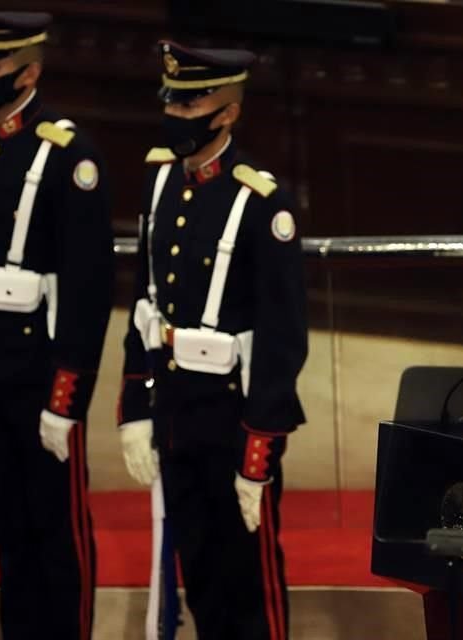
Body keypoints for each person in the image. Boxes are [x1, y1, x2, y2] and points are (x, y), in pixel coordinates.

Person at [117, 41, 307, 640]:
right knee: (198, 574)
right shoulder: (161, 184)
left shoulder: (260, 201)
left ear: (226, 113)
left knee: (250, 588)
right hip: (177, 415)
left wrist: (258, 455)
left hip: (232, 420)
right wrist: (136, 409)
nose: (175, 116)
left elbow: (283, 340)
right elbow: (146, 306)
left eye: (191, 105)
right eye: (172, 103)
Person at [0, 8, 114, 639]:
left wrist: (66, 398)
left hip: (38, 375)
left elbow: (90, 289)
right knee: (9, 534)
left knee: (56, 536)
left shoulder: (69, 155)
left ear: (30, 70)